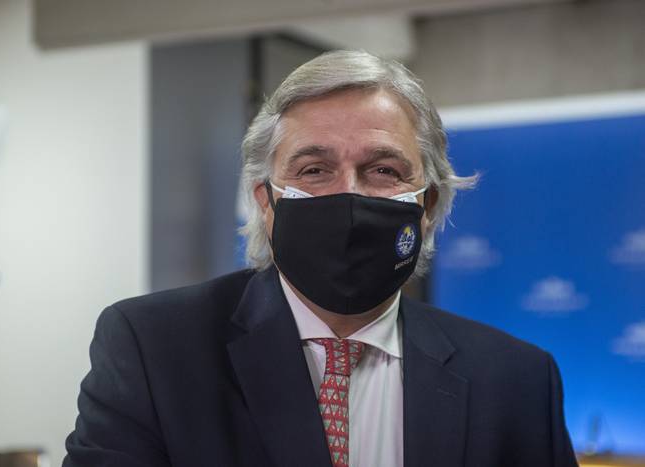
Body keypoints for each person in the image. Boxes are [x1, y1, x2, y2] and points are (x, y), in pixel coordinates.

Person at [63, 50, 579, 467]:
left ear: (427, 205)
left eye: (382, 170)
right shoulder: (152, 349)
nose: (348, 196)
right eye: (313, 170)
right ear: (266, 202)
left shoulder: (517, 381)